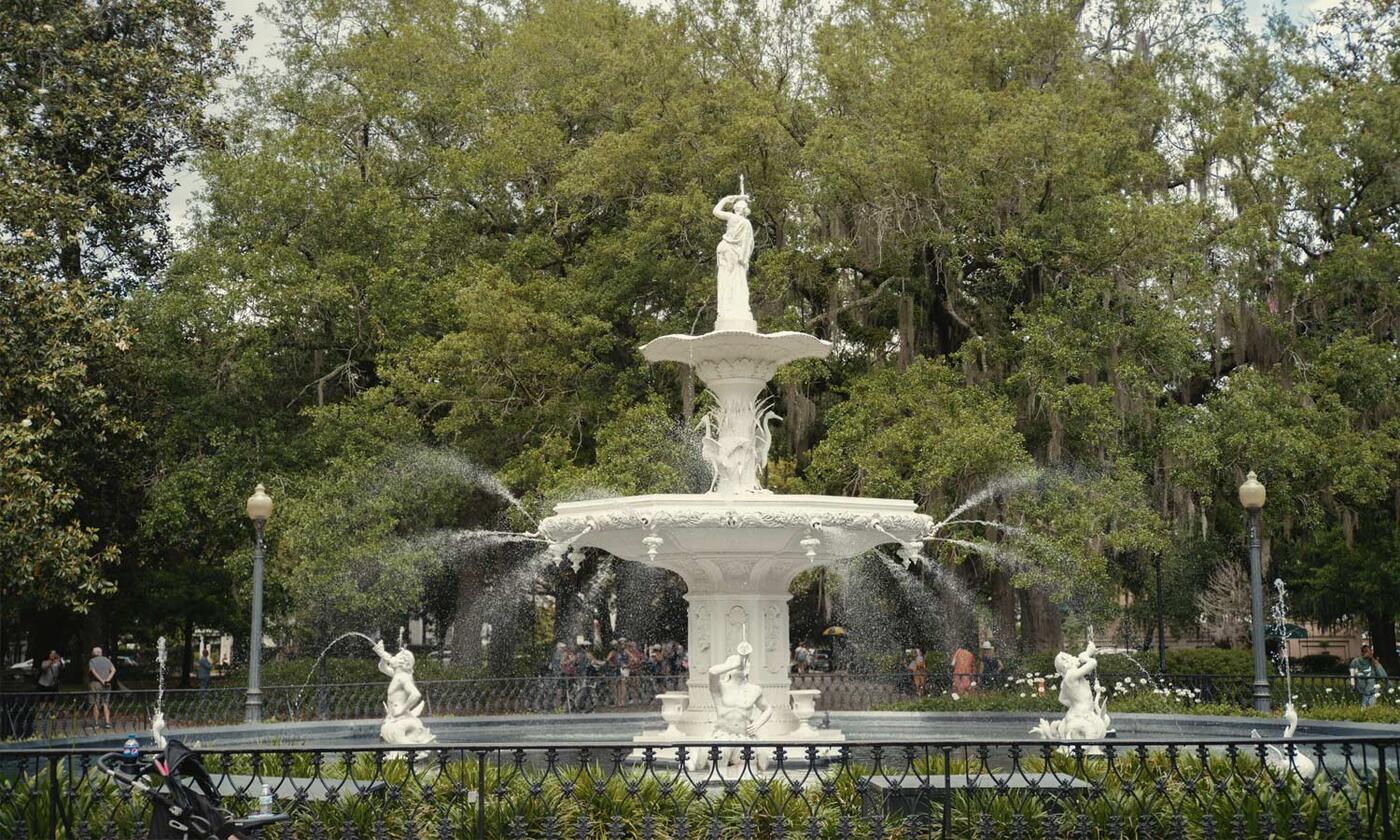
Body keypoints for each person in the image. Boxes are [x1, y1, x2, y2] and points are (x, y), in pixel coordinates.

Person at [1350, 643, 1389, 708]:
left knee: (1370, 705)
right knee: (1364, 706)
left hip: (1372, 688)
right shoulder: (1356, 661)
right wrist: (1353, 685)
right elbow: (1352, 674)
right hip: (1362, 688)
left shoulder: (1373, 662)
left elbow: (1382, 674)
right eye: (1365, 651)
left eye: (1368, 651)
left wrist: (1374, 661)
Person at [88, 646, 116, 729]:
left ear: (95, 653)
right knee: (105, 703)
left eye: (93, 652)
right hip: (107, 685)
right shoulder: (107, 660)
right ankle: (107, 723)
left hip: (96, 684)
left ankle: (96, 723)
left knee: (96, 703)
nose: (92, 653)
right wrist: (107, 680)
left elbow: (93, 671)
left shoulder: (92, 660)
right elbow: (113, 670)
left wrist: (101, 680)